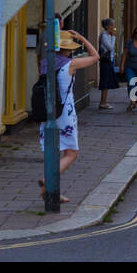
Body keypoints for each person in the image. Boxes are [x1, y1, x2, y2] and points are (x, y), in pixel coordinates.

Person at [38, 30, 100, 204]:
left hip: (47, 111)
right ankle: (47, 181)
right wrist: (82, 38)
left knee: (52, 152)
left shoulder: (45, 63)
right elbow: (95, 57)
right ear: (69, 48)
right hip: (65, 113)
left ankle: (53, 192)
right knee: (71, 153)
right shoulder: (70, 64)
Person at [96, 18, 119, 110]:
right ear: (107, 26)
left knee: (107, 80)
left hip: (109, 60)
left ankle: (104, 101)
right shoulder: (104, 35)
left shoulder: (107, 34)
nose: (113, 27)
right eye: (112, 25)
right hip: (105, 61)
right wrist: (114, 37)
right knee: (105, 81)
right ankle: (103, 102)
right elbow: (110, 47)